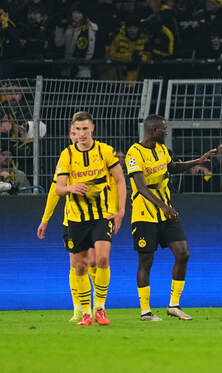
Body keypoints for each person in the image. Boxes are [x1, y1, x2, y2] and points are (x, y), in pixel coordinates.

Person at [125, 114, 216, 321]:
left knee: (183, 253)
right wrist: (163, 206)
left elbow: (171, 167)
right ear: (152, 130)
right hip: (144, 215)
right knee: (146, 261)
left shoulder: (161, 149)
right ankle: (145, 311)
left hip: (166, 213)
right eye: (163, 129)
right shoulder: (134, 153)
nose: (166, 132)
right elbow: (140, 186)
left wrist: (197, 161)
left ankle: (173, 305)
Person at [54, 111, 127, 326]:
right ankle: (85, 312)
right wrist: (71, 188)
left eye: (85, 129)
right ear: (73, 132)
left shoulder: (105, 151)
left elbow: (120, 180)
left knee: (102, 259)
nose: (82, 134)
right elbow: (58, 189)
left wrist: (120, 210)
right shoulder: (67, 155)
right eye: (78, 130)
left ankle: (100, 308)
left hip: (102, 215)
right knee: (80, 266)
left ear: (92, 128)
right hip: (77, 218)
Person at [36, 124, 100, 323]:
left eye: (80, 132)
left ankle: (99, 305)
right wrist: (44, 220)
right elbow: (55, 193)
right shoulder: (66, 160)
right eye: (73, 133)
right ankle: (79, 309)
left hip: (96, 218)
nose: (77, 136)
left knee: (94, 263)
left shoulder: (96, 157)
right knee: (75, 264)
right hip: (72, 221)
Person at [53, 2, 99, 78]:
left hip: (83, 70)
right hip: (67, 68)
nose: (76, 15)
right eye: (74, 12)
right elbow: (59, 43)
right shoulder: (68, 27)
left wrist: (83, 62)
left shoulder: (92, 28)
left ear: (84, 14)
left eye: (79, 13)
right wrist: (59, 27)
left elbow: (91, 50)